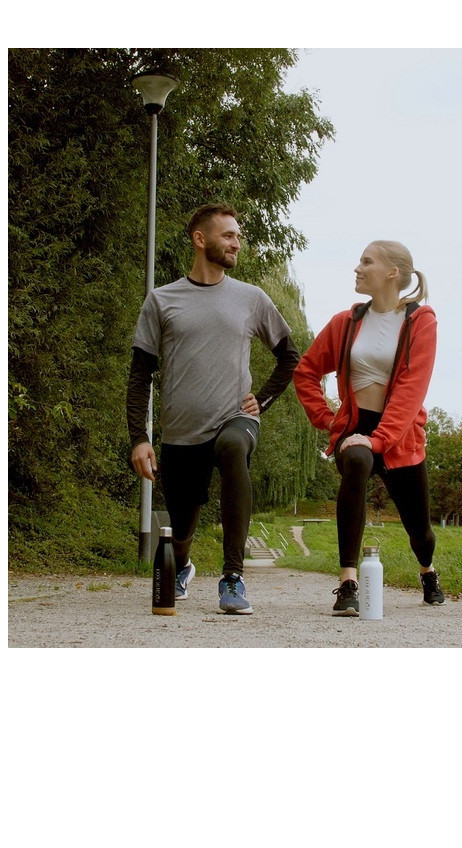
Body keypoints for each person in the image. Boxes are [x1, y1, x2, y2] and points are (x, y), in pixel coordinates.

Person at [127, 203, 301, 614]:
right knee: (182, 527)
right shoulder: (162, 300)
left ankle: (233, 577)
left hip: (235, 419)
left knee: (232, 447)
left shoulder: (250, 298)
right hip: (181, 433)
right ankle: (183, 564)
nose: (237, 242)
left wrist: (263, 398)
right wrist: (139, 438)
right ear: (200, 239)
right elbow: (140, 375)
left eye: (238, 235)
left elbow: (289, 356)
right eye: (228, 235)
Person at [293, 240, 445, 616]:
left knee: (420, 530)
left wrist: (380, 438)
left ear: (392, 272)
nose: (357, 268)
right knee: (357, 459)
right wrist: (328, 419)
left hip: (401, 433)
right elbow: (306, 371)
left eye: (366, 261)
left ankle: (427, 571)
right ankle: (348, 581)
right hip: (355, 426)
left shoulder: (420, 321)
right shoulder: (345, 323)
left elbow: (411, 389)